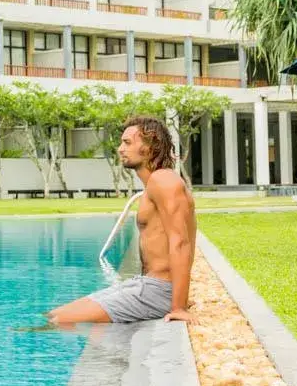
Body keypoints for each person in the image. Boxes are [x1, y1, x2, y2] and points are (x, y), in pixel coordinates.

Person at [48, 116, 196, 325]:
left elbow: (180, 242)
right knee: (54, 315)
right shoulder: (156, 183)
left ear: (150, 145)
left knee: (60, 321)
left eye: (127, 143)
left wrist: (178, 306)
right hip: (145, 284)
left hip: (158, 290)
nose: (120, 149)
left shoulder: (164, 180)